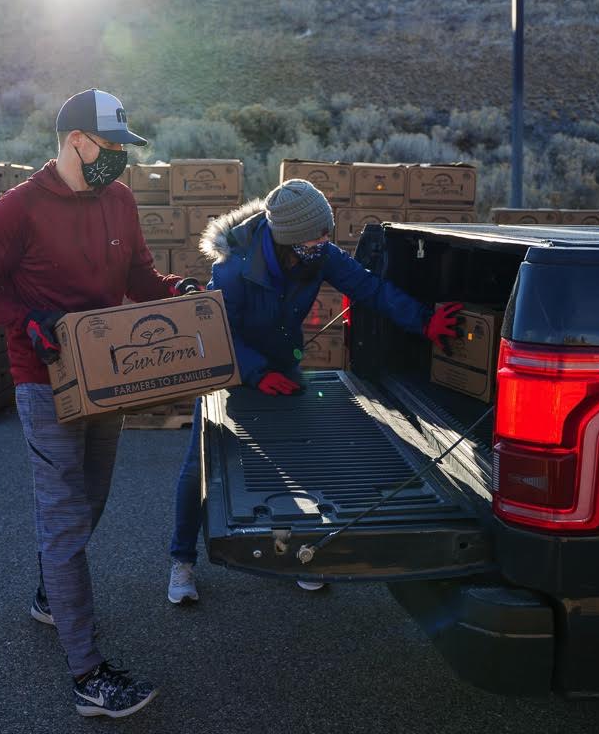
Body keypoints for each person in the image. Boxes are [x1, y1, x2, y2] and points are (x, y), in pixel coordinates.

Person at [0, 88, 195, 719]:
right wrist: (26, 319)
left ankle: (50, 596)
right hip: (43, 379)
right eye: (113, 146)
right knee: (64, 515)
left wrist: (176, 290)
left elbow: (140, 275)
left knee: (93, 498)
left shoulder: (118, 199)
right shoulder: (18, 210)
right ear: (76, 142)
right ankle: (87, 672)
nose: (120, 158)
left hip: (106, 373)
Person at [166, 178, 462, 603]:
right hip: (233, 368)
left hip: (284, 365)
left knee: (292, 459)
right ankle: (182, 563)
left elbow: (368, 287)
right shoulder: (234, 268)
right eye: (318, 234)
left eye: (328, 231)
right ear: (289, 237)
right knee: (200, 465)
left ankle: (298, 557)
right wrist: (254, 373)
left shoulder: (318, 255)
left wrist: (423, 320)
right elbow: (218, 330)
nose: (327, 241)